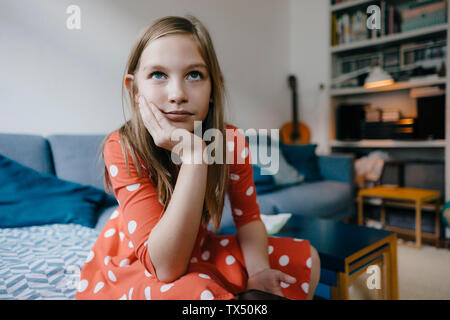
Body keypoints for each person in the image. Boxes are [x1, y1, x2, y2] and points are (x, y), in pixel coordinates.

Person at [76, 15, 320, 300]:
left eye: (194, 75)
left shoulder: (229, 142)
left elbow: (249, 218)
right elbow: (165, 268)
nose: (177, 94)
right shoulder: (123, 146)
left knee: (307, 258)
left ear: (214, 87)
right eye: (158, 75)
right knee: (196, 292)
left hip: (197, 245)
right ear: (134, 89)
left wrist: (258, 272)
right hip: (141, 260)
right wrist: (193, 157)